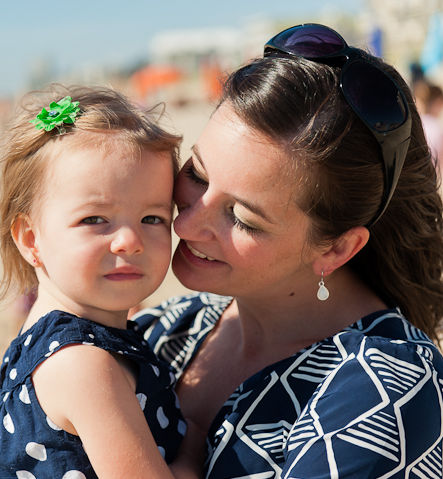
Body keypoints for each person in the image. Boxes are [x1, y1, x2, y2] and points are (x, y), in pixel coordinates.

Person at [134, 24, 443, 478]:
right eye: (197, 175)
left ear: (336, 249)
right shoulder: (168, 328)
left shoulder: (384, 390)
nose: (185, 223)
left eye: (242, 218)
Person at [0, 85, 187, 479]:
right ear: (31, 239)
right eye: (94, 219)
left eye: (152, 218)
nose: (130, 240)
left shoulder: (57, 335)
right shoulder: (82, 364)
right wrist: (194, 455)